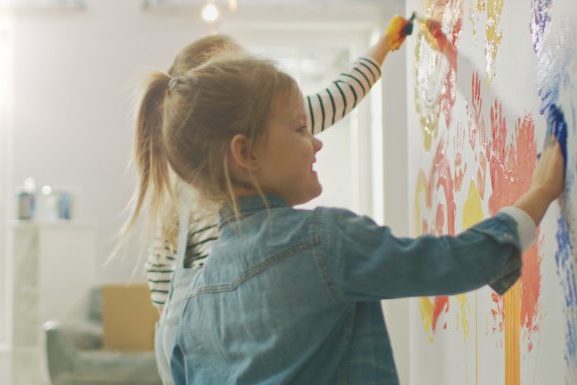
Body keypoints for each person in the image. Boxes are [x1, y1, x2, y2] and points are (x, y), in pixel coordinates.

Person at [130, 47, 565, 384]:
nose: (316, 143)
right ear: (245, 152)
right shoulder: (325, 242)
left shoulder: (190, 307)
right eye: (301, 129)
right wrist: (540, 195)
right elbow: (453, 262)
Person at [133, 16, 412, 384]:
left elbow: (160, 290)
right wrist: (382, 49)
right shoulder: (264, 127)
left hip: (189, 351)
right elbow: (340, 96)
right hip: (236, 334)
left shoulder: (179, 173)